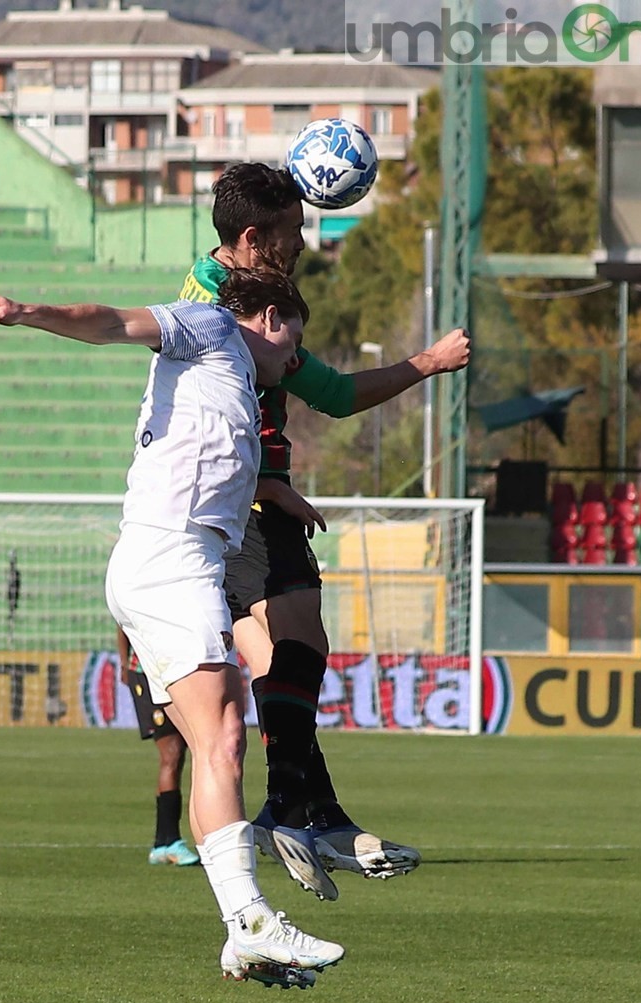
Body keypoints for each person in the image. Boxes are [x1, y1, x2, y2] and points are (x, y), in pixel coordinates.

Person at [0, 267, 338, 991]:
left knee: (217, 731)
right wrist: (22, 310)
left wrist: (274, 488)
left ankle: (243, 932)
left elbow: (208, 455)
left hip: (173, 559)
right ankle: (251, 921)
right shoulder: (214, 327)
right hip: (170, 555)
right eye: (294, 334)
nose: (296, 356)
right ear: (264, 316)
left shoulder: (232, 388)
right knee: (224, 730)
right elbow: (108, 321)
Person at [180, 162, 472, 902]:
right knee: (301, 637)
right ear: (252, 237)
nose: (304, 242)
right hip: (237, 504)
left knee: (282, 661)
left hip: (228, 503)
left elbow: (325, 393)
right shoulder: (220, 309)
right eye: (292, 231)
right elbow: (296, 400)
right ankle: (289, 809)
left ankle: (317, 811)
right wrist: (428, 363)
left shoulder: (227, 292)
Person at [115, 625, 197, 867]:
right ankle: (170, 841)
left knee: (178, 753)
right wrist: (124, 664)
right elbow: (122, 623)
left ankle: (163, 844)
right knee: (171, 752)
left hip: (172, 670)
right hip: (146, 673)